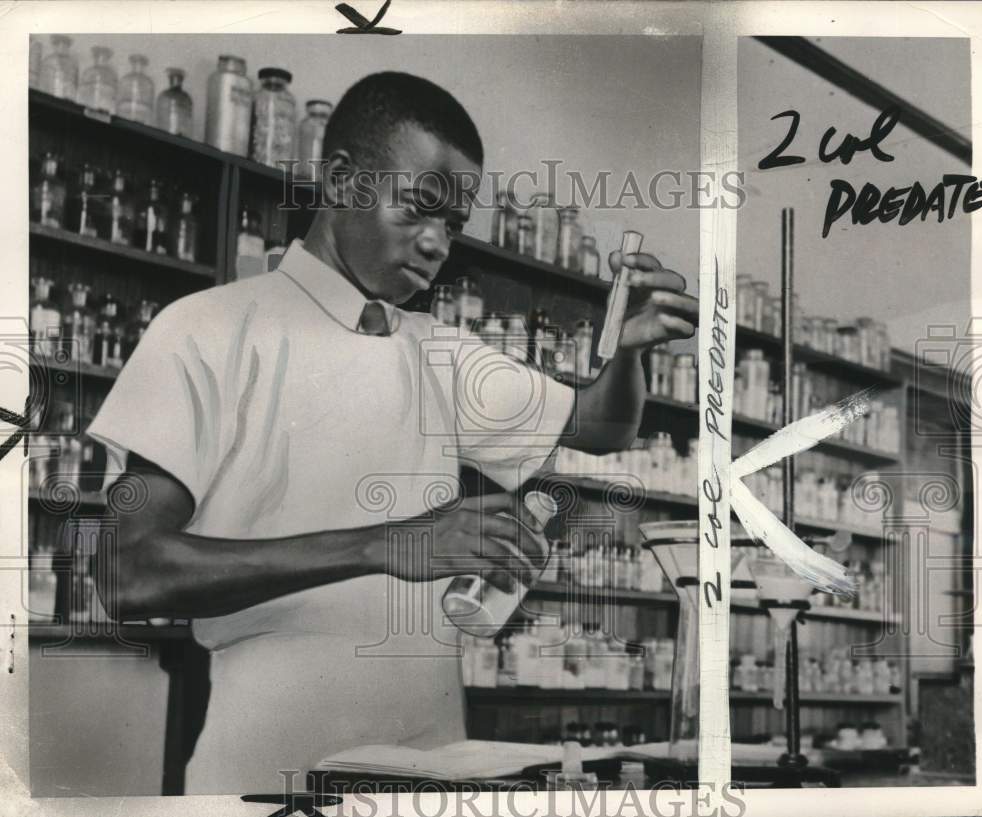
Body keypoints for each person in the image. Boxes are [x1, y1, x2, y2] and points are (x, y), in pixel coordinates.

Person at [88, 71, 696, 794]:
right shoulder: (208, 328)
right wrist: (388, 542)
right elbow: (126, 569)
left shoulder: (437, 350)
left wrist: (626, 350)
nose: (438, 243)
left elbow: (601, 423)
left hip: (431, 770)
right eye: (419, 208)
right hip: (269, 766)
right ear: (341, 179)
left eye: (455, 224)